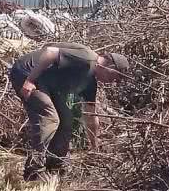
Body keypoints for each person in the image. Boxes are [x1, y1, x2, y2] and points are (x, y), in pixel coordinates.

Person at [9, 43, 129, 180]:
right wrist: (30, 80)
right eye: (115, 77)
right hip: (27, 72)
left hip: (47, 83)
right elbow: (50, 51)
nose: (112, 82)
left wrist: (95, 145)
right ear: (110, 66)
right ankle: (34, 170)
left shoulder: (90, 82)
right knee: (50, 117)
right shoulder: (87, 59)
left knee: (66, 120)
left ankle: (56, 165)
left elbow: (90, 114)